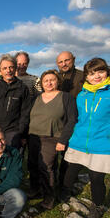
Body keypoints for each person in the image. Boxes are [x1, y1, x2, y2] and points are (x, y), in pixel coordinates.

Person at [60, 58, 110, 218]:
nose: (96, 76)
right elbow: (77, 119)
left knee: (96, 177)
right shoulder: (82, 95)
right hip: (79, 141)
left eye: (100, 71)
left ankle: (98, 206)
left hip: (103, 143)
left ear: (107, 72)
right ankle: (65, 192)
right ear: (86, 76)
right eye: (92, 73)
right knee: (70, 170)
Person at [27, 70, 78, 210]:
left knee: (46, 167)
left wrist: (63, 140)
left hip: (52, 137)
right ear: (42, 84)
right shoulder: (36, 98)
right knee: (32, 165)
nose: (49, 83)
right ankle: (35, 189)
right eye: (46, 81)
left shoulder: (66, 97)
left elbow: (72, 120)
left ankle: (49, 197)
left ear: (57, 82)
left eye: (52, 80)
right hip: (33, 136)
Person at [0, 54, 31, 150]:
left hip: (13, 132)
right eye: (4, 68)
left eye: (11, 67)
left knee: (11, 160)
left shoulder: (22, 89)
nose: (8, 70)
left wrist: (22, 134)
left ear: (15, 69)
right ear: (0, 72)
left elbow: (25, 114)